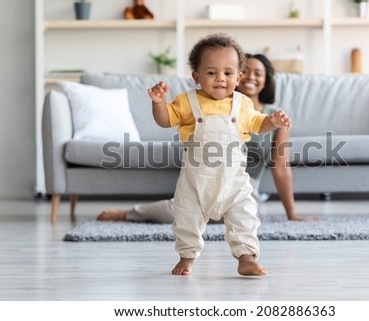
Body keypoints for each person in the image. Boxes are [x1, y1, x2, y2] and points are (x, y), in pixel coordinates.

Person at [97, 54, 319, 223]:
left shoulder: (275, 116)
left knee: (240, 215)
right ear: (236, 76)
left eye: (258, 73)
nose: (252, 77)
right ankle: (128, 214)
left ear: (266, 80)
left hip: (243, 183)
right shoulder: (211, 105)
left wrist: (292, 213)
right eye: (247, 71)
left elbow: (281, 168)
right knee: (185, 211)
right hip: (205, 174)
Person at [151, 33, 291, 276]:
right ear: (196, 76)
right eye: (211, 72)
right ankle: (187, 257)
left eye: (228, 73)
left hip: (233, 182)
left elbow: (259, 125)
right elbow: (165, 121)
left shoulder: (242, 104)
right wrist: (158, 103)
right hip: (195, 182)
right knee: (186, 221)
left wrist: (273, 121)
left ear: (238, 77)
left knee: (244, 218)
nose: (220, 79)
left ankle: (246, 258)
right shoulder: (187, 102)